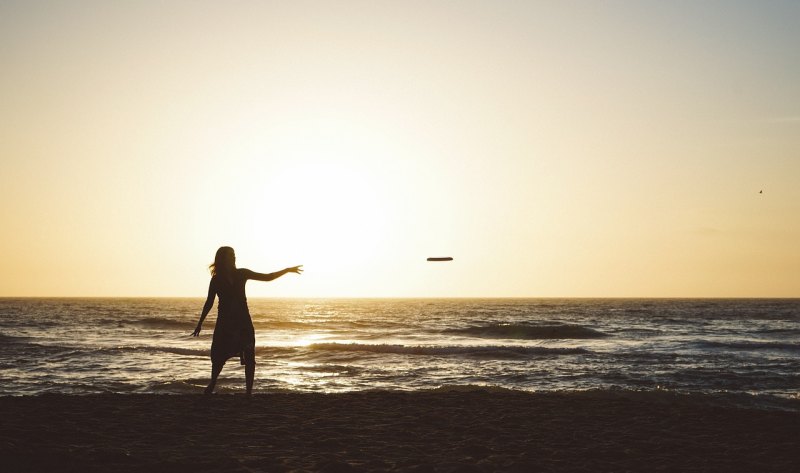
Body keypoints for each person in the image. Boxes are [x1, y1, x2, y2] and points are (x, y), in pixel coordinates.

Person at [192, 246, 302, 394]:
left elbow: (267, 277)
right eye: (230, 255)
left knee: (250, 355)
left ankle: (248, 392)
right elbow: (209, 302)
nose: (233, 257)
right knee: (218, 356)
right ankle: (213, 383)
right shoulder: (216, 280)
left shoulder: (242, 274)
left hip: (243, 321)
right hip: (225, 323)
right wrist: (200, 323)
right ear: (222, 258)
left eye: (234, 255)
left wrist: (287, 270)